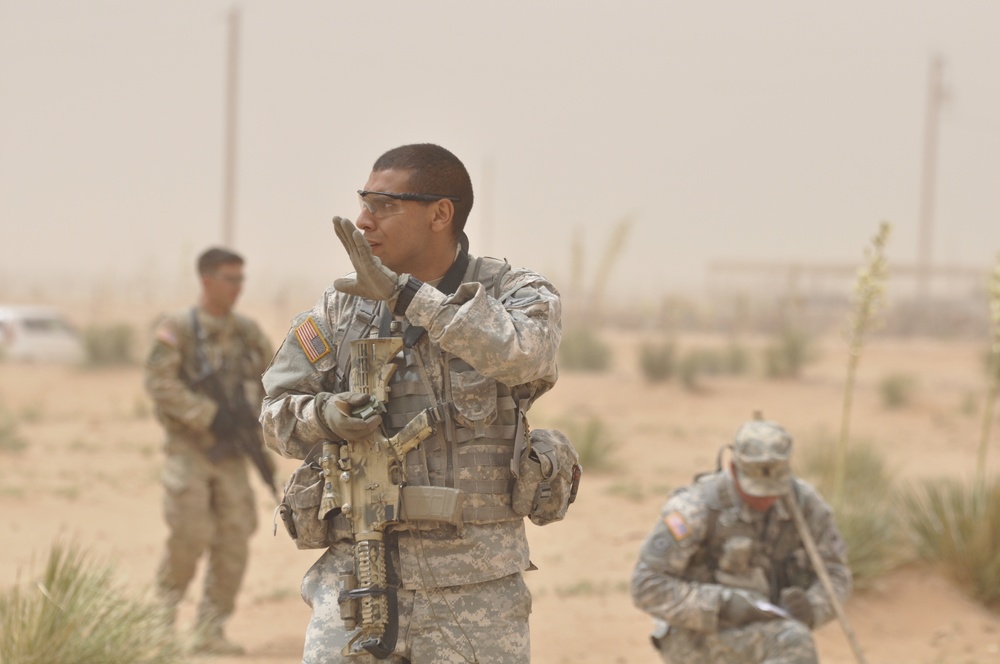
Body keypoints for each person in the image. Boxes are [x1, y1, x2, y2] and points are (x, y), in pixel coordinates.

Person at [260, 143, 562, 663]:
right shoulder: (340, 308)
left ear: (440, 214)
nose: (364, 221)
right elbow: (274, 416)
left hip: (474, 593)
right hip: (354, 577)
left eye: (384, 205)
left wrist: (408, 297)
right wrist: (324, 417)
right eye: (364, 202)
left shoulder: (514, 292)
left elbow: (524, 356)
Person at [631, 418, 852, 664]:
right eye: (755, 490)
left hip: (769, 629)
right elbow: (645, 585)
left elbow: (835, 573)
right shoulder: (695, 509)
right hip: (697, 636)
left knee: (792, 639)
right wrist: (720, 605)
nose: (765, 500)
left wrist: (812, 607)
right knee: (794, 642)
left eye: (773, 489)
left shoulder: (805, 507)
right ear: (733, 469)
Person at [145, 247, 274, 655]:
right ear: (206, 280)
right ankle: (159, 627)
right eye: (229, 279)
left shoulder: (247, 333)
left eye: (241, 279)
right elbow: (160, 383)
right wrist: (206, 414)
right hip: (191, 449)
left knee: (235, 537)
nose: (237, 288)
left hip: (233, 452)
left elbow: (276, 376)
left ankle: (209, 631)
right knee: (189, 534)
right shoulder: (178, 328)